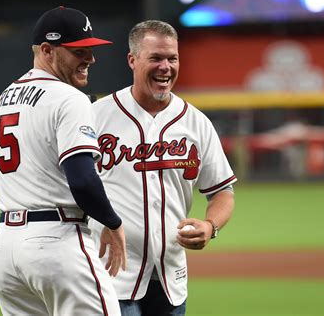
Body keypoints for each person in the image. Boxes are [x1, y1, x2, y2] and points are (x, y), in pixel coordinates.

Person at [90, 20, 237, 315]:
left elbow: (222, 192)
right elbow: (69, 186)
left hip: (171, 274)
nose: (165, 67)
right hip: (111, 274)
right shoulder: (97, 116)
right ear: (133, 60)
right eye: (155, 58)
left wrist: (210, 226)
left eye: (173, 58)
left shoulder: (195, 122)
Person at [0, 6, 127, 316]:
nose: (90, 59)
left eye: (90, 50)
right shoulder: (68, 98)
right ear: (48, 51)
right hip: (56, 245)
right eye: (79, 51)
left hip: (6, 251)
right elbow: (82, 179)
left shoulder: (6, 96)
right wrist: (112, 222)